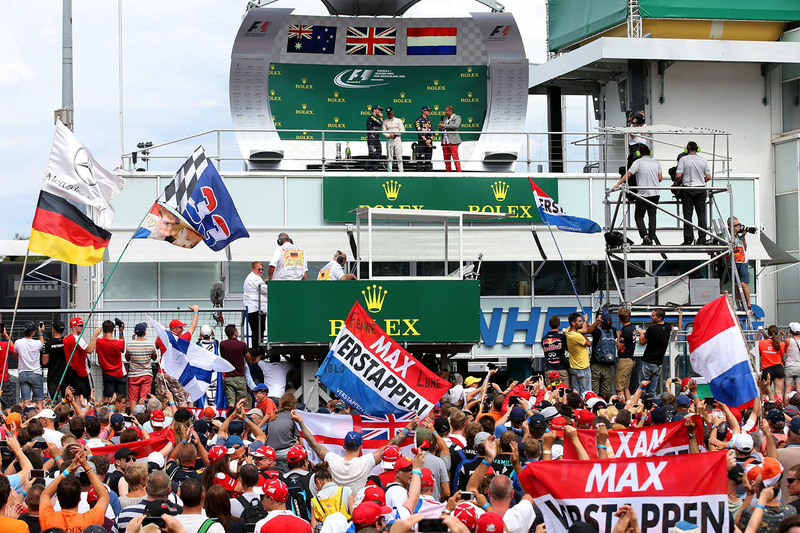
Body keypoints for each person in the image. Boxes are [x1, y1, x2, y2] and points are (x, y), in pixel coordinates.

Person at [292, 410, 415, 495]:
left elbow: (313, 444)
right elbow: (390, 446)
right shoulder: (365, 462)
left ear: (344, 446)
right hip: (357, 512)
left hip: (337, 510)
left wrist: (301, 422)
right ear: (361, 446)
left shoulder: (332, 460)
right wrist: (408, 427)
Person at [40, 447, 110, 532]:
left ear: (58, 498)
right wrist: (86, 466)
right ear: (79, 498)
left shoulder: (48, 519)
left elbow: (45, 494)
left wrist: (68, 470)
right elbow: (104, 496)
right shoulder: (89, 520)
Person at [611, 144, 663, 245]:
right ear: (650, 152)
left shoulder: (638, 162)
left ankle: (645, 236)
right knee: (652, 216)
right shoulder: (657, 163)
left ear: (639, 153)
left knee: (639, 216)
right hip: (655, 194)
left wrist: (618, 183)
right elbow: (660, 178)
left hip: (643, 194)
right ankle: (651, 237)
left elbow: (629, 174)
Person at [155, 305, 200, 404]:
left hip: (161, 373)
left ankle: (163, 418)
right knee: (183, 400)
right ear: (174, 329)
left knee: (162, 401)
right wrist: (195, 312)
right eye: (180, 328)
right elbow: (193, 327)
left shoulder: (162, 338)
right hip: (174, 374)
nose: (182, 329)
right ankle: (183, 418)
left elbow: (157, 345)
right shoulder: (181, 339)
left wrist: (163, 331)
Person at [676, 141, 711, 245]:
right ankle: (702, 238)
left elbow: (678, 176)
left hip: (687, 189)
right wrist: (700, 180)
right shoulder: (703, 160)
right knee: (701, 214)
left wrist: (678, 184)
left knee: (688, 215)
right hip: (701, 189)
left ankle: (688, 239)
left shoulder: (683, 159)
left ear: (686, 149)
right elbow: (708, 177)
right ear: (697, 149)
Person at [62, 317, 101, 401]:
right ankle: (90, 411)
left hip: (72, 371)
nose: (82, 327)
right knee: (90, 394)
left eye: (82, 325)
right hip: (82, 371)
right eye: (80, 326)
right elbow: (90, 350)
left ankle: (78, 412)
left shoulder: (65, 338)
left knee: (77, 395)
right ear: (74, 327)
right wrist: (95, 335)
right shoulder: (78, 339)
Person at [565, 312, 600, 397]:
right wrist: (583, 334)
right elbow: (588, 343)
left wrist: (586, 321)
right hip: (583, 367)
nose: (581, 323)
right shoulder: (576, 336)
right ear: (574, 323)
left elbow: (585, 330)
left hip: (574, 367)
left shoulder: (568, 330)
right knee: (586, 393)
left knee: (577, 393)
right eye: (579, 321)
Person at [638, 308, 672, 396]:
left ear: (659, 318)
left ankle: (642, 407)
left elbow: (642, 342)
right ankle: (653, 406)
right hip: (658, 363)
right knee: (652, 390)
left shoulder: (651, 329)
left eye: (653, 315)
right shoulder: (668, 327)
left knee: (642, 388)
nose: (651, 316)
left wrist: (642, 333)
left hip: (647, 362)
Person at [220, 324, 254, 409]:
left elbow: (223, 357)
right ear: (235, 332)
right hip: (239, 377)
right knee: (242, 400)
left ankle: (230, 417)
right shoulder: (242, 345)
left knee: (231, 401)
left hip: (228, 377)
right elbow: (248, 359)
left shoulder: (223, 344)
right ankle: (243, 419)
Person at [15, 321, 45, 408]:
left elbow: (15, 356)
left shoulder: (18, 342)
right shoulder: (37, 343)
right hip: (35, 373)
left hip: (23, 373)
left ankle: (26, 418)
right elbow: (43, 346)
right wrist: (41, 334)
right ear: (33, 332)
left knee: (26, 401)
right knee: (39, 401)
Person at [126, 322, 157, 404]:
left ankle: (133, 414)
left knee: (133, 398)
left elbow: (127, 358)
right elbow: (154, 358)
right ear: (144, 332)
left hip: (133, 374)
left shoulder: (130, 344)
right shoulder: (150, 343)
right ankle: (143, 415)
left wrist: (133, 342)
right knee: (144, 397)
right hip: (146, 373)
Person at [95, 319, 127, 400]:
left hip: (107, 373)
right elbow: (122, 346)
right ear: (113, 330)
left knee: (109, 398)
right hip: (119, 373)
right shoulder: (119, 343)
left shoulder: (99, 342)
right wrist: (121, 331)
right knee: (121, 398)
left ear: (103, 330)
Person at [243, 261, 268, 353]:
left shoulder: (250, 278)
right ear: (253, 269)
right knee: (259, 330)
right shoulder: (256, 279)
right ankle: (258, 350)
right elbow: (265, 290)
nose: (261, 271)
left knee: (255, 330)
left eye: (262, 269)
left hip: (251, 308)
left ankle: (256, 349)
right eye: (259, 269)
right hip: (256, 308)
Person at [590, 312, 617, 396]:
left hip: (596, 363)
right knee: (607, 391)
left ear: (601, 322)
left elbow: (589, 329)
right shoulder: (614, 331)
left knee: (595, 390)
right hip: (608, 363)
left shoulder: (597, 331)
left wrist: (594, 322)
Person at [730, 217, 752, 310]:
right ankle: (741, 305)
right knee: (736, 285)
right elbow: (730, 244)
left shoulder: (739, 237)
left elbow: (745, 248)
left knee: (743, 283)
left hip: (742, 262)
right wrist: (734, 233)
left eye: (738, 225)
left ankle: (748, 304)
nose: (738, 227)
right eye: (735, 225)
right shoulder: (729, 235)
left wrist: (743, 236)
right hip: (733, 262)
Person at [42, 318, 67, 400]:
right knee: (66, 399)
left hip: (53, 374)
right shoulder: (66, 341)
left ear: (53, 330)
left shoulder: (48, 343)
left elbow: (44, 362)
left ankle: (55, 412)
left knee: (54, 400)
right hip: (65, 374)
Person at [541, 316, 569, 387]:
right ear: (559, 324)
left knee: (550, 393)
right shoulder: (562, 337)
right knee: (565, 393)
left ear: (549, 325)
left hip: (549, 369)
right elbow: (567, 349)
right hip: (561, 368)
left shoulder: (544, 339)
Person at [760, 325, 786, 401]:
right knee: (779, 393)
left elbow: (760, 353)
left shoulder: (761, 343)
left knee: (764, 393)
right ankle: (779, 409)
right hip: (778, 368)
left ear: (768, 333)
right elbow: (782, 355)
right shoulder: (780, 344)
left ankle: (764, 411)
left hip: (767, 369)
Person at [615, 307, 636, 400]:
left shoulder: (625, 331)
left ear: (620, 318)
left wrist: (618, 335)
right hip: (631, 359)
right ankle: (629, 404)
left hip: (624, 360)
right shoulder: (632, 328)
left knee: (619, 387)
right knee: (626, 386)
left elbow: (619, 347)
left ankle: (621, 407)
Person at [439, 105, 462, 172]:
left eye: (446, 111)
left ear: (450, 111)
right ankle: (448, 173)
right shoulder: (445, 119)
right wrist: (441, 127)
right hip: (445, 141)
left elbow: (456, 126)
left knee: (455, 158)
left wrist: (444, 126)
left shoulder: (457, 117)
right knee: (446, 160)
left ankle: (459, 173)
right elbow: (443, 129)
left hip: (453, 141)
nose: (445, 112)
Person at [381, 107, 405, 172]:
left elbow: (403, 130)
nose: (389, 115)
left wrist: (395, 134)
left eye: (390, 113)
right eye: (388, 114)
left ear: (393, 112)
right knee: (389, 157)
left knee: (399, 156)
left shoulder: (398, 120)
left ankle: (401, 172)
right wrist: (389, 135)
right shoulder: (385, 121)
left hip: (397, 139)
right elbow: (383, 132)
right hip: (389, 140)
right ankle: (390, 172)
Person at [414, 106, 433, 171]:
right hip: (422, 141)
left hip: (429, 142)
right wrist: (426, 140)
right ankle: (419, 172)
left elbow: (433, 132)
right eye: (428, 111)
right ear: (423, 111)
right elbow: (419, 132)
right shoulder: (418, 121)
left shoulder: (429, 121)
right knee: (420, 157)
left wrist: (430, 139)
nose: (429, 112)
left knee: (429, 158)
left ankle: (428, 172)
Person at [364, 105, 383, 171]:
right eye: (379, 110)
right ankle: (366, 170)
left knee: (378, 154)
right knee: (372, 155)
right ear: (374, 110)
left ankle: (374, 168)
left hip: (377, 139)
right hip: (372, 139)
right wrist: (381, 117)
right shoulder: (371, 118)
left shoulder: (375, 118)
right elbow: (380, 124)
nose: (380, 111)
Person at [0, 324, 14, 409]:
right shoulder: (5, 345)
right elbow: (13, 349)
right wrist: (7, 336)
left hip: (3, 379)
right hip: (3, 379)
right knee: (8, 405)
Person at [786, 323, 800, 400]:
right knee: (799, 391)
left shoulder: (788, 340)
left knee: (787, 391)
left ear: (791, 331)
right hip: (799, 366)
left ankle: (786, 408)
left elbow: (784, 349)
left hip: (790, 366)